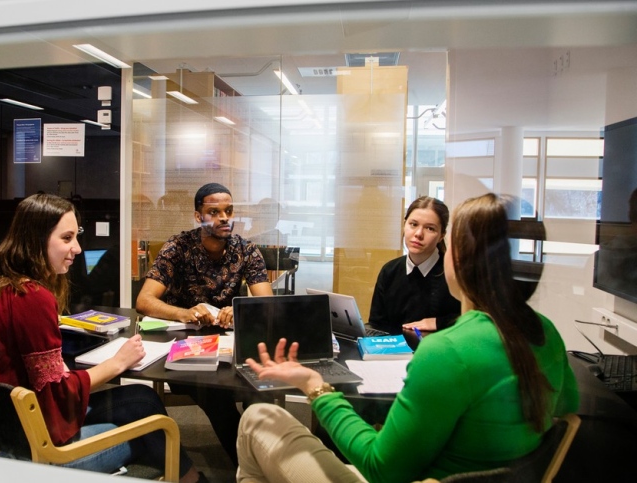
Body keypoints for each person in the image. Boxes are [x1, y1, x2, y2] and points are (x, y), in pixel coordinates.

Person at [236, 192, 579, 483]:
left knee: (257, 420)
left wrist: (314, 384)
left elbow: (381, 469)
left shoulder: (446, 351)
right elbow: (565, 414)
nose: (421, 235)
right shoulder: (545, 331)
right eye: (414, 225)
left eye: (439, 233)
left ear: (458, 257)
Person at [0, 194, 204, 482]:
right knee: (154, 426)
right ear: (36, 240)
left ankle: (189, 478)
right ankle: (193, 480)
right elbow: (57, 394)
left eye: (75, 236)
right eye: (66, 238)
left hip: (6, 431)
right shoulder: (33, 298)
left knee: (143, 397)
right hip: (31, 451)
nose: (77, 248)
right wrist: (118, 363)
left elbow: (40, 378)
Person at [136, 182, 274, 465]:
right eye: (214, 212)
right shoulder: (178, 247)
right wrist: (184, 313)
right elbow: (145, 300)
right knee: (215, 394)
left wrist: (239, 310)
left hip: (230, 345)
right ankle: (250, 465)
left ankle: (266, 456)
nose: (224, 218)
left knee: (260, 387)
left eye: (229, 210)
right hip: (187, 347)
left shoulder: (246, 250)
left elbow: (266, 303)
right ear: (199, 216)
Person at [368, 195, 460, 334]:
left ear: (441, 235)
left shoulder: (453, 273)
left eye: (430, 228)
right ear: (404, 225)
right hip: (392, 353)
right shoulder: (390, 270)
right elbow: (377, 324)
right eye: (413, 224)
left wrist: (439, 322)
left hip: (438, 352)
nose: (418, 234)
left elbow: (474, 319)